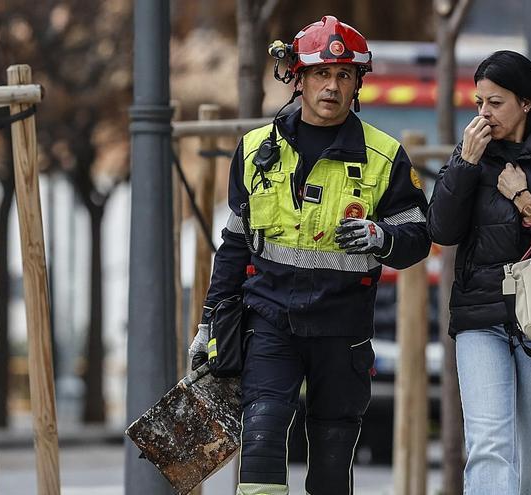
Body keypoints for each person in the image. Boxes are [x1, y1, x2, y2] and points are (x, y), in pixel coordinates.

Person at [188, 16, 430, 495]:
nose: (332, 86)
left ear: (357, 83)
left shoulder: (385, 158)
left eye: (344, 75)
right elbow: (234, 245)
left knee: (332, 459)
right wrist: (208, 322)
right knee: (261, 434)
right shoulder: (254, 150)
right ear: (298, 78)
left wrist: (381, 236)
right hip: (269, 322)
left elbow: (418, 237)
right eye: (321, 74)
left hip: (343, 329)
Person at [427, 50, 531, 494]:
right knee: (489, 444)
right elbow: (441, 230)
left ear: (526, 102)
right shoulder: (471, 155)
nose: (483, 113)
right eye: (479, 102)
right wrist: (465, 165)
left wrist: (526, 203)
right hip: (480, 316)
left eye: (495, 102)